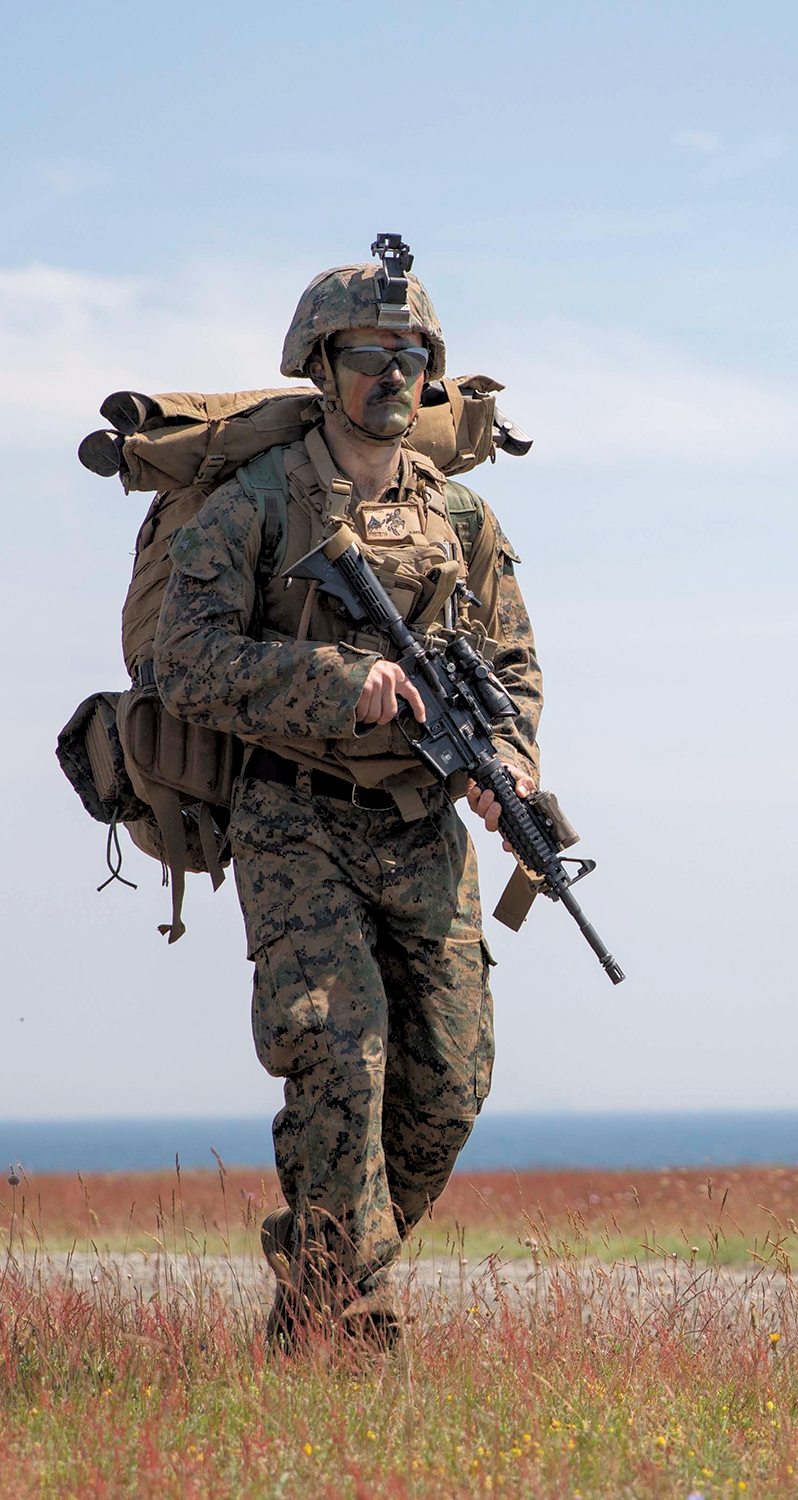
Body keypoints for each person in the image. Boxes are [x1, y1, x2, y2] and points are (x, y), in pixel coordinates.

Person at [154, 251, 545, 1345]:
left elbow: (511, 666)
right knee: (339, 1047)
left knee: (452, 1078)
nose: (394, 374)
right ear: (321, 367)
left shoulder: (461, 521)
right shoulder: (255, 507)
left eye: (412, 357)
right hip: (296, 813)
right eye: (371, 355)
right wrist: (336, 684)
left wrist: (508, 760)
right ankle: (350, 1315)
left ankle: (321, 1284)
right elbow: (186, 658)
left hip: (421, 828)